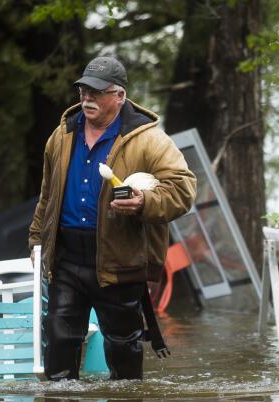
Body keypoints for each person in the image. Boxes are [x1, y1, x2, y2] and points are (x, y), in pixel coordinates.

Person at [28, 55, 196, 381]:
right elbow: (47, 197)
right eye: (82, 91)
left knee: (122, 347)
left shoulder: (149, 139)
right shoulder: (60, 137)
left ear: (119, 96)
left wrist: (144, 201)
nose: (86, 98)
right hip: (66, 256)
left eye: (96, 92)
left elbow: (184, 189)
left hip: (120, 257)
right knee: (60, 339)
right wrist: (36, 240)